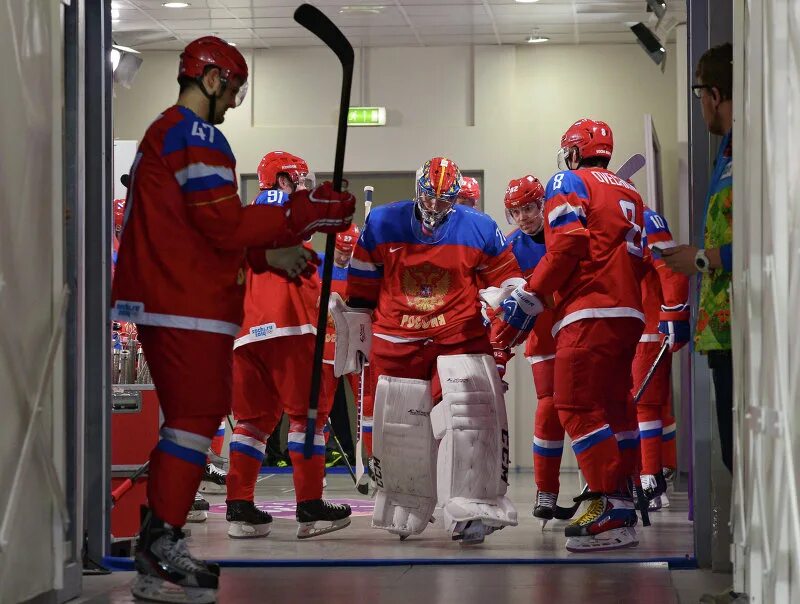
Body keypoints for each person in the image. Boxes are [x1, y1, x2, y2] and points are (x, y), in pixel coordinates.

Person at [111, 37, 355, 604]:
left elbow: (199, 231)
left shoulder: (167, 133)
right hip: (183, 303)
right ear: (214, 77)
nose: (236, 102)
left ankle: (162, 540)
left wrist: (267, 253)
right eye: (236, 88)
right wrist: (311, 211)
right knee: (196, 422)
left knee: (197, 423)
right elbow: (223, 225)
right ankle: (159, 553)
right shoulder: (197, 135)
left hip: (180, 297)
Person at [338, 157, 523, 544]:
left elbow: (507, 278)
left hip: (458, 336)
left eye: (444, 200)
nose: (435, 207)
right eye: (429, 197)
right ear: (417, 189)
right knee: (403, 425)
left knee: (469, 417)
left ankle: (473, 506)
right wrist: (356, 329)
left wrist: (504, 296)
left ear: (456, 197)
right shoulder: (383, 223)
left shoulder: (480, 227)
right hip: (396, 338)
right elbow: (361, 287)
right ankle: (406, 498)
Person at [491, 119, 647, 552]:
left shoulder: (567, 179)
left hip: (589, 307)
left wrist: (531, 295)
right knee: (616, 407)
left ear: (574, 152)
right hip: (629, 310)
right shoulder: (629, 190)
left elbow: (567, 247)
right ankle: (621, 494)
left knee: (574, 405)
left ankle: (610, 503)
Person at [225, 151, 352, 541]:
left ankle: (240, 509)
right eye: (299, 182)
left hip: (244, 335)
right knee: (307, 416)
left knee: (251, 423)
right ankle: (310, 506)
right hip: (291, 325)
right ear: (282, 181)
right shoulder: (288, 210)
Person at [662, 42, 734, 473]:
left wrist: (702, 260)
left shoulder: (751, 153)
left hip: (751, 331)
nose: (701, 105)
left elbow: (769, 240)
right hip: (720, 331)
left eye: (699, 94)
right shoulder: (725, 152)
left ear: (715, 95)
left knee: (746, 457)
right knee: (733, 456)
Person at [498, 175, 563, 525]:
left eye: (528, 208)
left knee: (593, 407)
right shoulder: (511, 248)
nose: (523, 217)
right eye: (515, 211)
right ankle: (546, 490)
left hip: (574, 325)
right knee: (550, 408)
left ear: (542, 204)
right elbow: (505, 304)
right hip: (542, 336)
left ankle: (615, 487)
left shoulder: (565, 228)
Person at [634, 205, 690, 510]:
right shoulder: (607, 213)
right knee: (640, 406)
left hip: (645, 331)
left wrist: (673, 313)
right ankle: (645, 475)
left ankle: (650, 479)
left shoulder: (644, 218)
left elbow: (670, 268)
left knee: (646, 406)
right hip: (627, 327)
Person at [319, 224, 362, 469]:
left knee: (366, 401)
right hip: (326, 345)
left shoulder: (361, 268)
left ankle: (373, 457)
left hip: (354, 344)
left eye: (349, 251)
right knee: (322, 405)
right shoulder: (318, 265)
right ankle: (318, 461)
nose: (345, 256)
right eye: (341, 250)